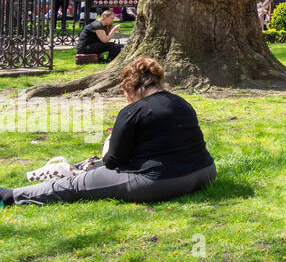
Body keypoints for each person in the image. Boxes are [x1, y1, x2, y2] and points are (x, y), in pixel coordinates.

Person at [2, 57, 216, 207]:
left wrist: (109, 140)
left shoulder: (132, 111)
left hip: (161, 181)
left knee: (75, 185)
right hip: (204, 172)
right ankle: (71, 170)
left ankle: (12, 196)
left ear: (131, 87)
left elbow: (112, 161)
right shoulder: (181, 102)